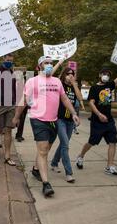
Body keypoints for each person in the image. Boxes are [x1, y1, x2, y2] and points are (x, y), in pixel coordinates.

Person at [13, 56, 80, 197]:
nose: (49, 65)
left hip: (54, 120)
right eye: (46, 63)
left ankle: (35, 169)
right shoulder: (33, 81)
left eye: (51, 63)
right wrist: (16, 117)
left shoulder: (57, 82)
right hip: (38, 119)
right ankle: (46, 184)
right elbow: (23, 100)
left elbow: (65, 98)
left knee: (46, 149)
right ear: (39, 66)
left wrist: (74, 113)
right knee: (43, 151)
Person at [75, 55, 117, 176]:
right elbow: (91, 103)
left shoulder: (110, 85)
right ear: (100, 75)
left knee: (112, 142)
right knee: (92, 142)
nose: (106, 76)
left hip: (109, 121)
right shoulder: (94, 88)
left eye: (108, 74)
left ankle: (110, 166)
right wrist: (99, 114)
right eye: (104, 73)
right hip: (97, 121)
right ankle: (80, 156)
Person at [50, 67, 84, 183]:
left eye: (72, 74)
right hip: (60, 119)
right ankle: (69, 173)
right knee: (65, 144)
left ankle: (54, 163)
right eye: (68, 74)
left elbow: (80, 98)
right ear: (64, 75)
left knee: (64, 143)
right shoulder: (60, 85)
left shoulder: (74, 87)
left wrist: (74, 84)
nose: (70, 75)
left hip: (70, 120)